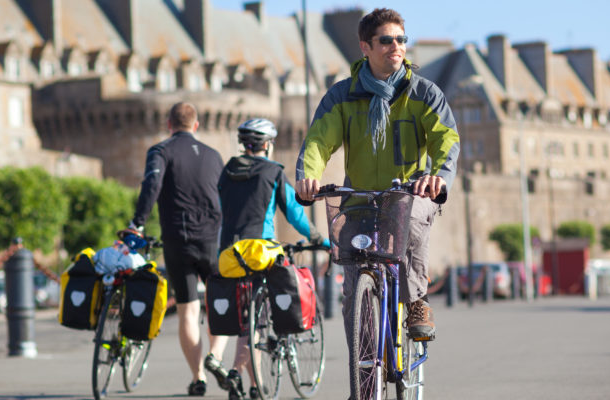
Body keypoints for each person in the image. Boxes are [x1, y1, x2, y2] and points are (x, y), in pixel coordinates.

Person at [294, 7, 459, 396]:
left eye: (401, 39)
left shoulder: (423, 92)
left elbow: (445, 140)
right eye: (387, 40)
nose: (397, 47)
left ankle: (415, 301)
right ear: (366, 46)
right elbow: (319, 140)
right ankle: (363, 377)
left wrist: (437, 176)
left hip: (412, 191)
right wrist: (308, 175)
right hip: (362, 199)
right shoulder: (342, 95)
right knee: (354, 293)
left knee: (412, 220)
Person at [218, 118, 329, 400]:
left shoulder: (227, 171)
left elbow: (218, 211)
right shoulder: (274, 171)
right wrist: (319, 239)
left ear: (244, 145)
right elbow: (294, 214)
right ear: (267, 145)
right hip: (261, 251)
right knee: (270, 306)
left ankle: (250, 382)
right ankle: (239, 369)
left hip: (229, 253)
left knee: (248, 319)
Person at [130, 102, 230, 396]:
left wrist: (137, 223)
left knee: (188, 309)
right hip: (213, 239)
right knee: (218, 305)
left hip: (178, 238)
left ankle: (198, 376)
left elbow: (152, 185)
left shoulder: (161, 151)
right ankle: (216, 357)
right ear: (196, 125)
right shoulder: (214, 156)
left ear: (168, 124)